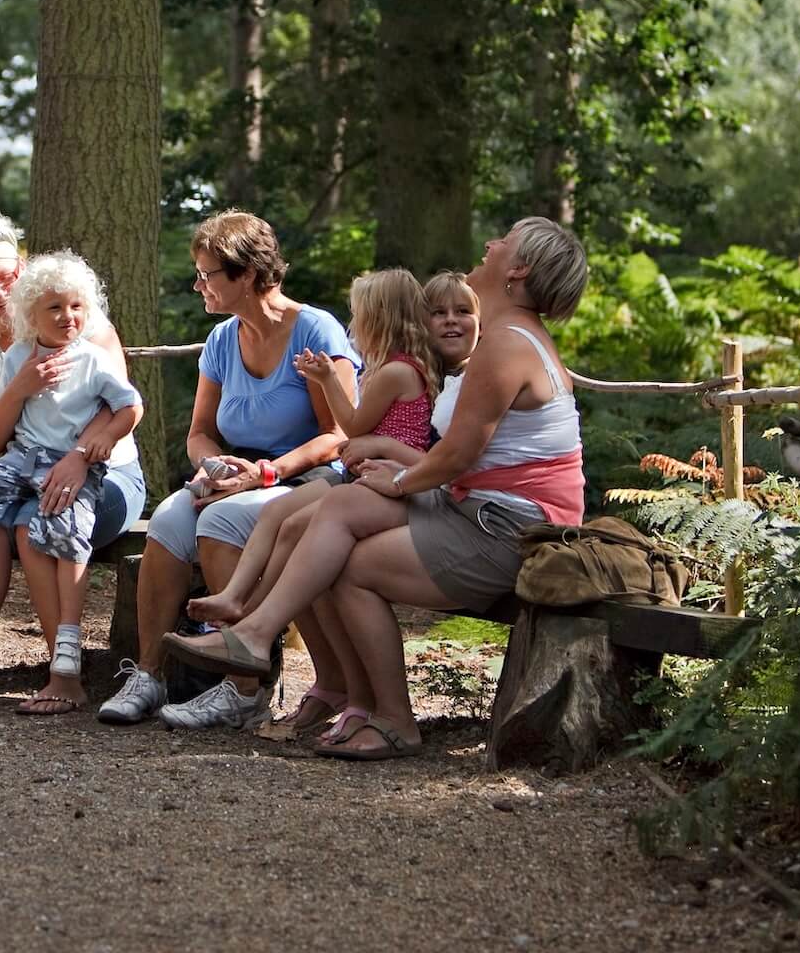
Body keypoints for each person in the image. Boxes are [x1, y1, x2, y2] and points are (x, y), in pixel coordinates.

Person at [163, 218, 589, 760]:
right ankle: (266, 641)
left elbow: (457, 456)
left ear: (518, 270)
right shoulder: (507, 342)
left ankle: (387, 716)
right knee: (332, 511)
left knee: (347, 563)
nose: (490, 245)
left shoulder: (506, 347)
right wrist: (396, 466)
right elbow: (459, 459)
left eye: (502, 243)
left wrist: (401, 476)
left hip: (508, 529)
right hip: (477, 507)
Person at [95, 210, 358, 731]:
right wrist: (212, 467)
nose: (197, 286)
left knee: (223, 520)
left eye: (207, 274)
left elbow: (341, 436)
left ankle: (243, 687)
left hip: (308, 481)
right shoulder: (221, 341)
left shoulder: (313, 329)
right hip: (242, 476)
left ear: (248, 275)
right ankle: (148, 674)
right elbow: (199, 433)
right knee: (171, 518)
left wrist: (264, 473)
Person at [0, 204, 148, 712]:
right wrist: (17, 389)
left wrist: (80, 457)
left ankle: (64, 676)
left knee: (27, 523)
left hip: (105, 472)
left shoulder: (79, 323)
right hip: (25, 471)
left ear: (23, 268)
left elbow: (120, 410)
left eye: (6, 278)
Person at [185, 268, 440, 638]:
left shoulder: (395, 373)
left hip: (383, 477)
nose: (352, 327)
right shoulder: (387, 370)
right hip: (360, 474)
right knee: (278, 514)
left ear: (380, 320)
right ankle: (237, 598)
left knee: (294, 528)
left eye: (359, 317)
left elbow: (351, 427)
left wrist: (327, 380)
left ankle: (252, 612)